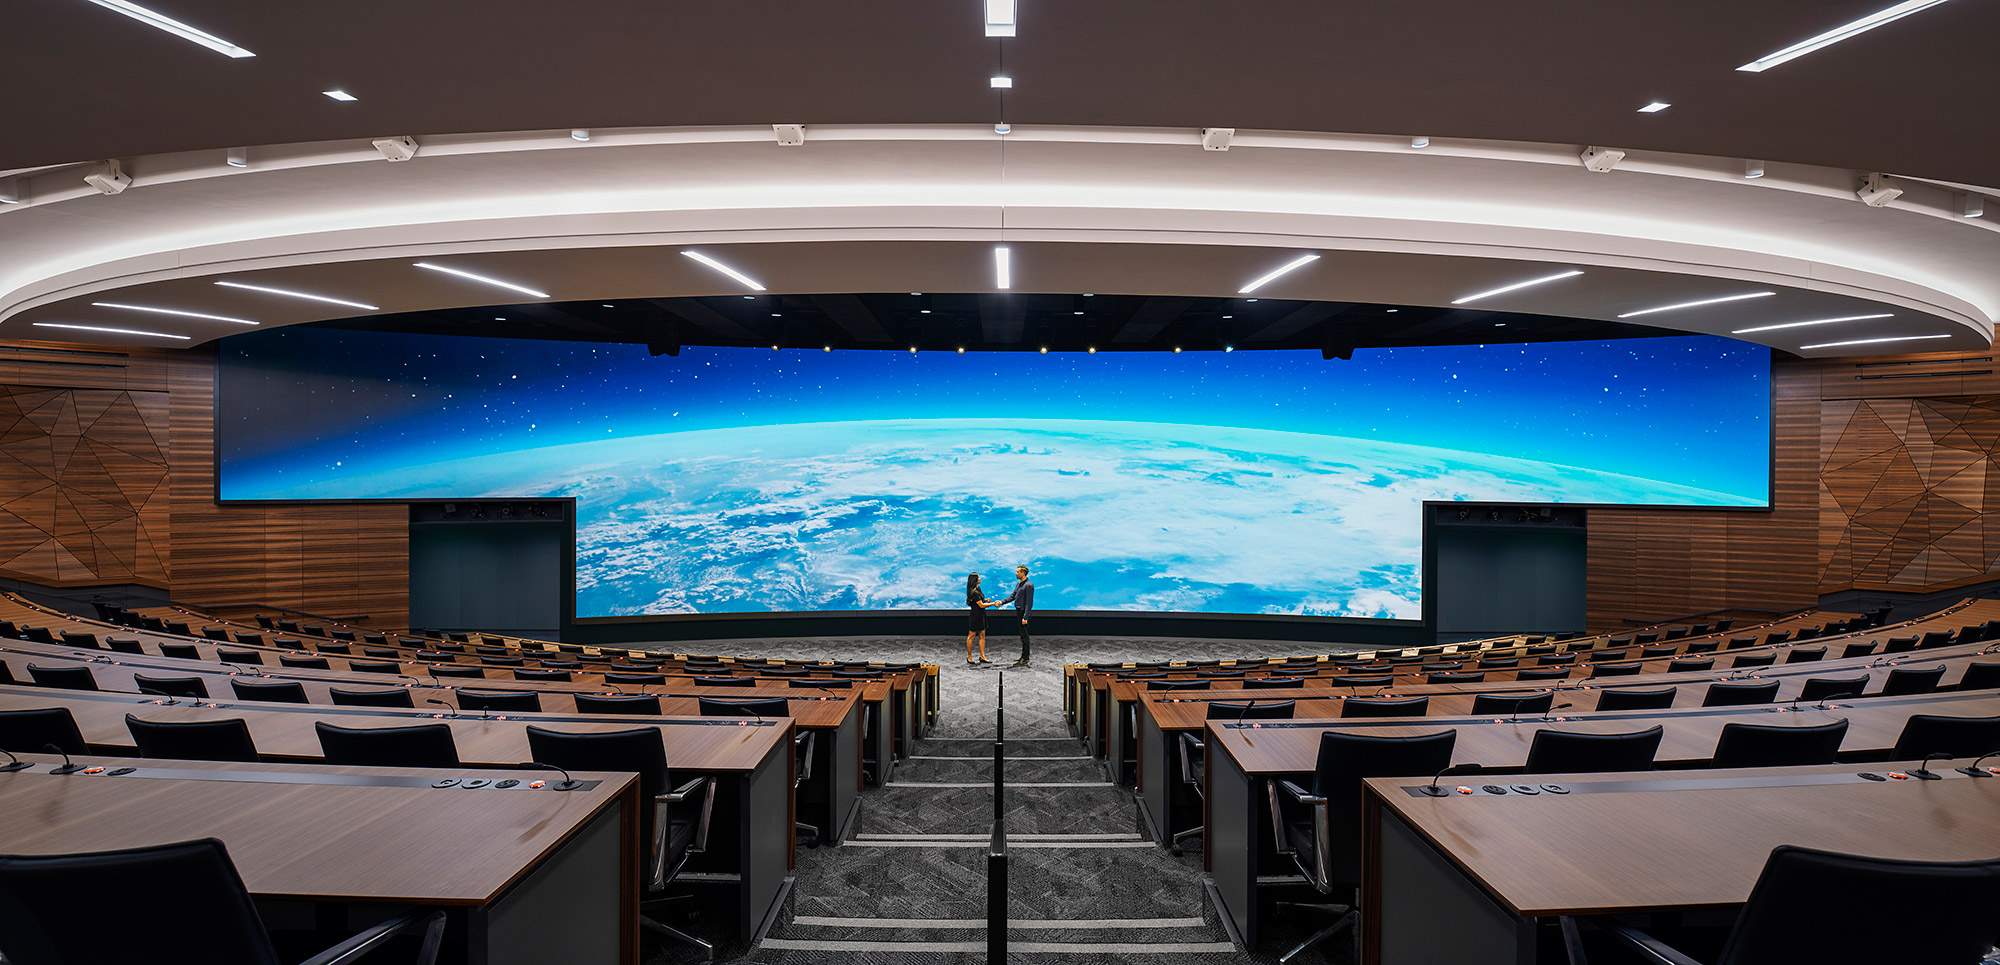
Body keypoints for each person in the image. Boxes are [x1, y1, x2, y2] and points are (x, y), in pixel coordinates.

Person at [991, 565, 1035, 667]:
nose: (1016, 573)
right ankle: (1023, 656)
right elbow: (1012, 596)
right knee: (1022, 635)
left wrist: (1026, 617)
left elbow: (1029, 603)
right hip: (1019, 611)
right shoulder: (1019, 584)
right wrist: (1001, 602)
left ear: (1023, 573)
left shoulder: (1029, 585)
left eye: (1017, 572)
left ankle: (1025, 658)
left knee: (1025, 637)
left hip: (1023, 612)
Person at [964, 573, 991, 665]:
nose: (980, 578)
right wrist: (993, 604)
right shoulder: (974, 592)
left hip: (981, 615)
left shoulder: (978, 589)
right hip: (976, 616)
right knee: (971, 635)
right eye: (978, 577)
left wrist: (985, 600)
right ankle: (969, 656)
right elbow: (981, 605)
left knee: (982, 635)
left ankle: (982, 656)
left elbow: (979, 602)